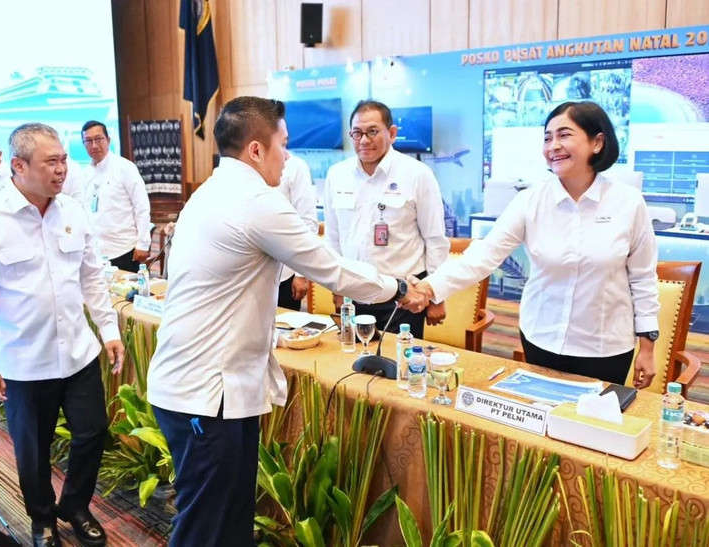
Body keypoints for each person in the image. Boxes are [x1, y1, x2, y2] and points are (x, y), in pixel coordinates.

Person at [146, 96, 429, 547]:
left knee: (233, 515)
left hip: (220, 388)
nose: (288, 156)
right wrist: (398, 287)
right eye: (283, 144)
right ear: (257, 150)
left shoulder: (213, 189)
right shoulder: (255, 201)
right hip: (204, 392)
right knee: (205, 525)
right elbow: (330, 268)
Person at [407, 101, 659, 388]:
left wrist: (647, 346)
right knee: (541, 411)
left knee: (597, 414)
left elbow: (643, 278)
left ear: (597, 142)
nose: (553, 146)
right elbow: (485, 255)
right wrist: (429, 288)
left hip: (605, 345)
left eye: (564, 135)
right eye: (547, 138)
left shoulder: (628, 203)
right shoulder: (530, 200)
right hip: (542, 336)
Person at [0, 123, 125, 547]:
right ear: (19, 165)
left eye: (64, 159)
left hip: (78, 353)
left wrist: (108, 328)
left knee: (92, 432)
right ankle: (43, 517)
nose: (62, 169)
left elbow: (92, 277)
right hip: (23, 361)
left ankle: (76, 506)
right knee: (33, 449)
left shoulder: (73, 211)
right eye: (51, 162)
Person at [324, 100, 449, 338]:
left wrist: (436, 296)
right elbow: (333, 238)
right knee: (352, 357)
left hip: (403, 295)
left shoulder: (417, 174)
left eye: (372, 131)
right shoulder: (337, 174)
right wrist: (337, 289)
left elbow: (435, 240)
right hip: (354, 291)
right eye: (357, 133)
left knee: (399, 359)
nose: (364, 140)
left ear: (391, 133)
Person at [81, 121, 151, 272]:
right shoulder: (85, 174)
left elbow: (142, 207)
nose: (94, 145)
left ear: (108, 140)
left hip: (125, 249)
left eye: (98, 139)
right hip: (97, 252)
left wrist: (143, 244)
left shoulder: (125, 168)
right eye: (88, 141)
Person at [276, 152, 318, 310]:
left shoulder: (295, 166)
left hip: (285, 272)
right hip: (249, 275)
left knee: (287, 322)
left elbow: (308, 222)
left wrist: (301, 274)